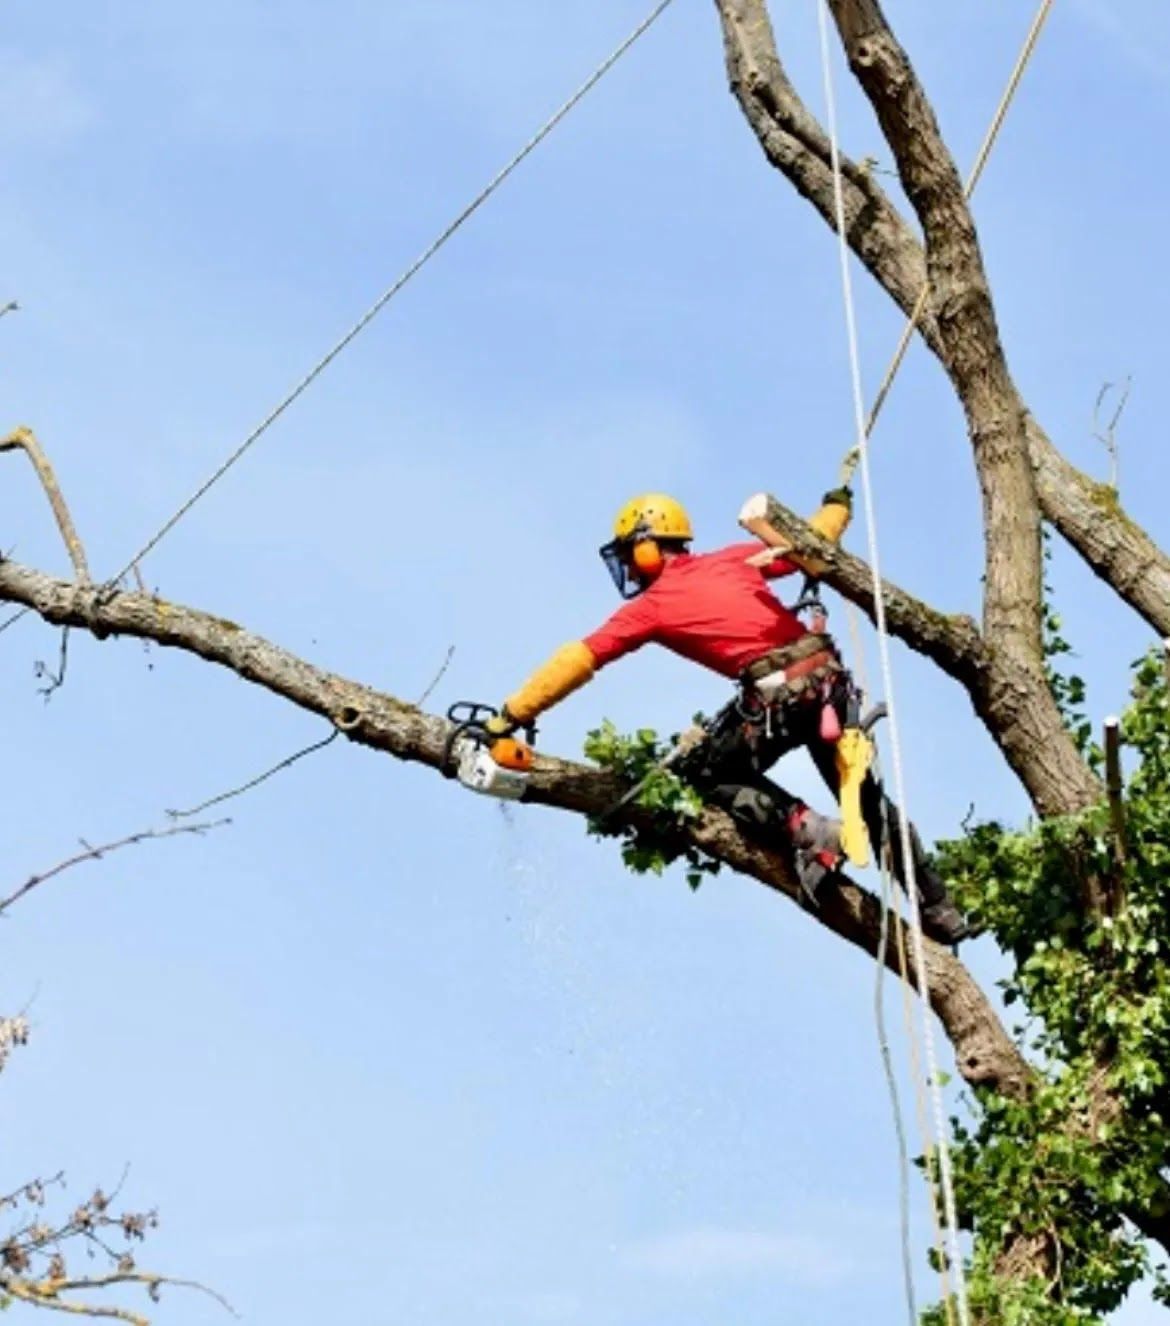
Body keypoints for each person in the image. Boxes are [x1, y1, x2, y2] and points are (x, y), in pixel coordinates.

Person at [487, 491, 969, 944]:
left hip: (781, 697)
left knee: (703, 772)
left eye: (631, 556)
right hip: (828, 683)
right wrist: (836, 507)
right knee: (866, 802)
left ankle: (808, 829)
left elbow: (580, 658)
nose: (631, 572)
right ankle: (939, 907)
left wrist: (510, 714)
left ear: (647, 547)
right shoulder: (734, 559)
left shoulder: (651, 608)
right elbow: (810, 539)